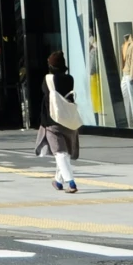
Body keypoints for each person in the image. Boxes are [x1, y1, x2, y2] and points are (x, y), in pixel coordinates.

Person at [37, 48, 81, 192]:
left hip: (53, 121)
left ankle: (71, 183)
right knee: (65, 153)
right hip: (69, 121)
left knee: (60, 153)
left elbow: (45, 92)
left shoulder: (48, 79)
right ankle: (58, 181)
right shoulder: (70, 79)